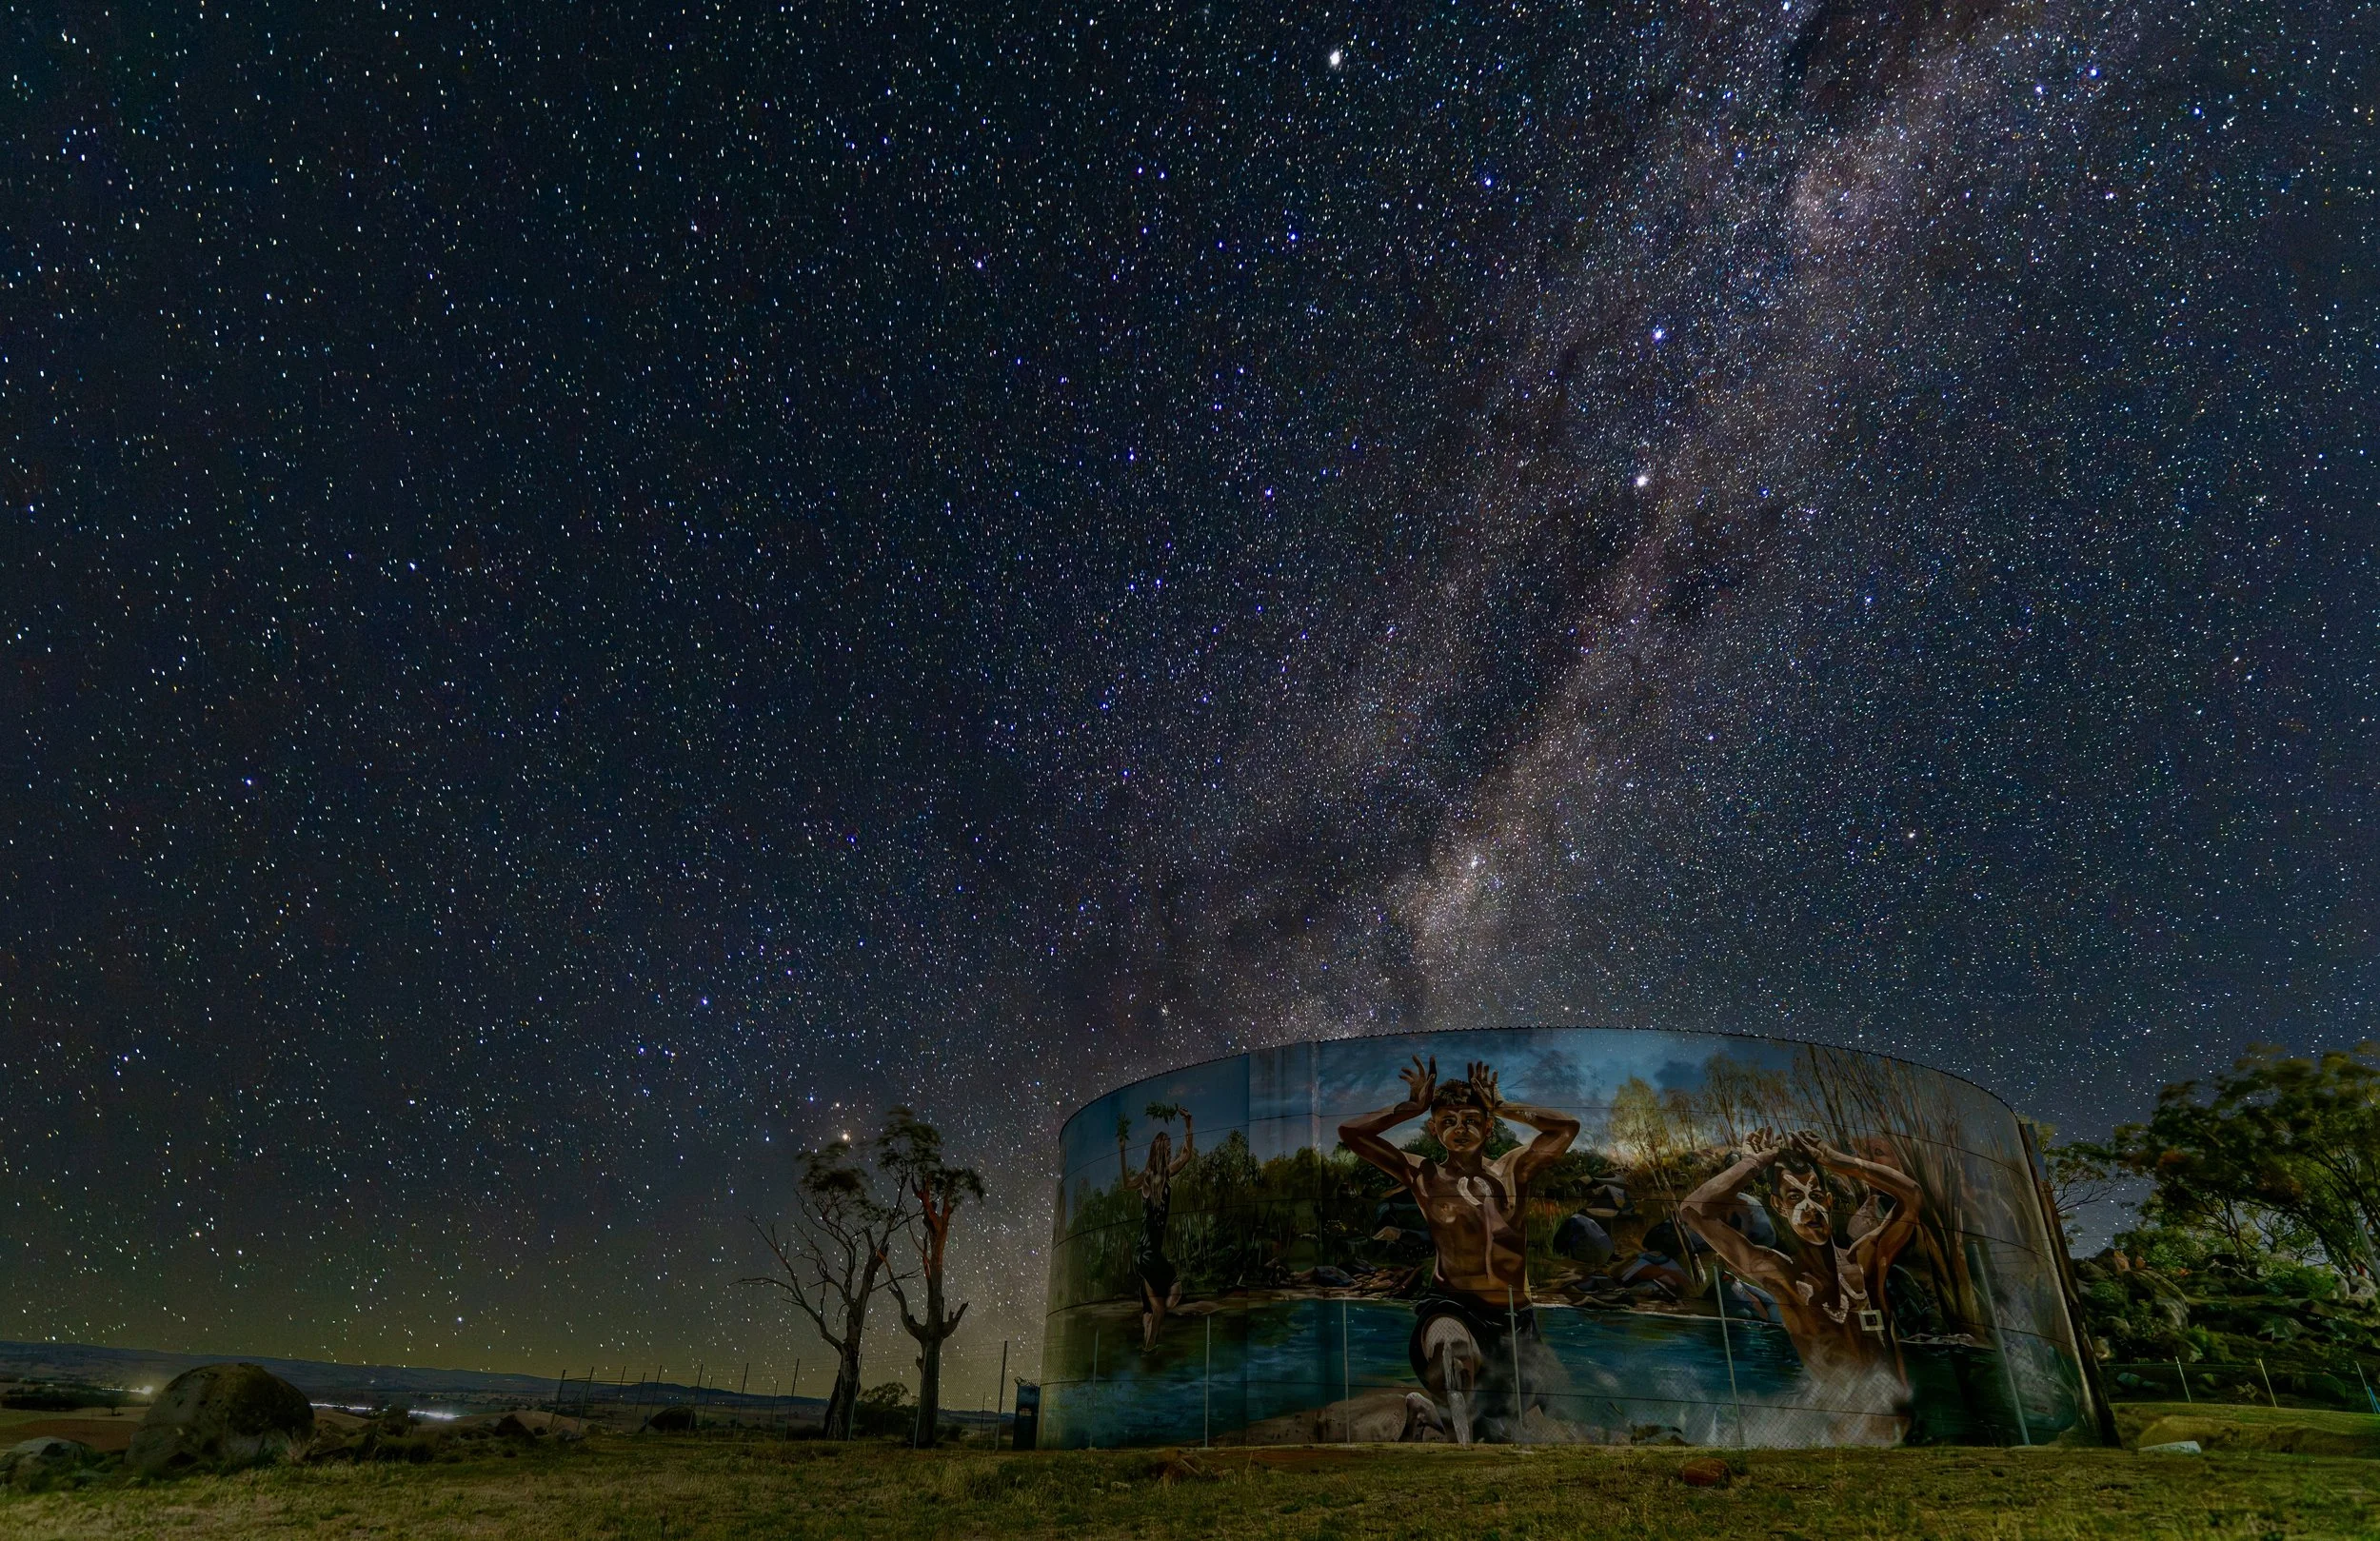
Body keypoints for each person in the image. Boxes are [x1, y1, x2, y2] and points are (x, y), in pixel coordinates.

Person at [1339, 1056, 1578, 1442]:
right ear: (1434, 1131)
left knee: (1510, 1415)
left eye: (1470, 1119)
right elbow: (1351, 1134)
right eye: (1448, 1121)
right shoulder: (1424, 1176)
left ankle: (1427, 1412)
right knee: (1452, 1350)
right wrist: (1409, 1108)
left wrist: (1504, 1105)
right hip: (1452, 1308)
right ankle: (1461, 1452)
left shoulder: (1514, 1170)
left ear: (1488, 1126)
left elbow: (1567, 1128)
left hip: (1516, 1317)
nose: (1460, 1128)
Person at [1676, 1127, 1923, 1443]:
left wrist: (1836, 1160)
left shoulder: (1866, 1260)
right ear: (1779, 1206)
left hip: (1904, 1430)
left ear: (1829, 1201)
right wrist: (1755, 1163)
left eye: (1816, 1196)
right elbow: (1694, 1209)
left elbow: (1912, 1196)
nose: (1810, 1208)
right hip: (1848, 1436)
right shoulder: (1782, 1276)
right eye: (1795, 1197)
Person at [1120, 1112, 1195, 1349]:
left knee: (1159, 1308)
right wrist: (1122, 1151)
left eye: (1170, 1146)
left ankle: (1149, 1344)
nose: (1170, 1150)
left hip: (1145, 1255)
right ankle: (1149, 1306)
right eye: (1167, 1147)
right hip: (1149, 1254)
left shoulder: (1164, 1174)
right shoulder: (1150, 1176)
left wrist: (1188, 1123)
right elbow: (1126, 1183)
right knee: (1176, 1290)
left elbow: (1186, 1155)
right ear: (1159, 1149)